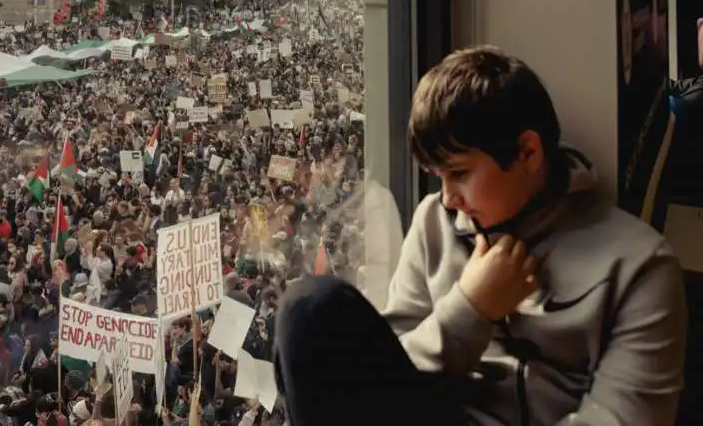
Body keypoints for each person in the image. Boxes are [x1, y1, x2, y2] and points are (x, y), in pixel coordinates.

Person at [274, 46, 688, 426]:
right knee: (308, 310)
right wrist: (470, 311)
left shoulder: (639, 267)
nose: (448, 199)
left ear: (529, 152)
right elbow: (388, 375)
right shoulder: (434, 223)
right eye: (438, 178)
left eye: (459, 174)